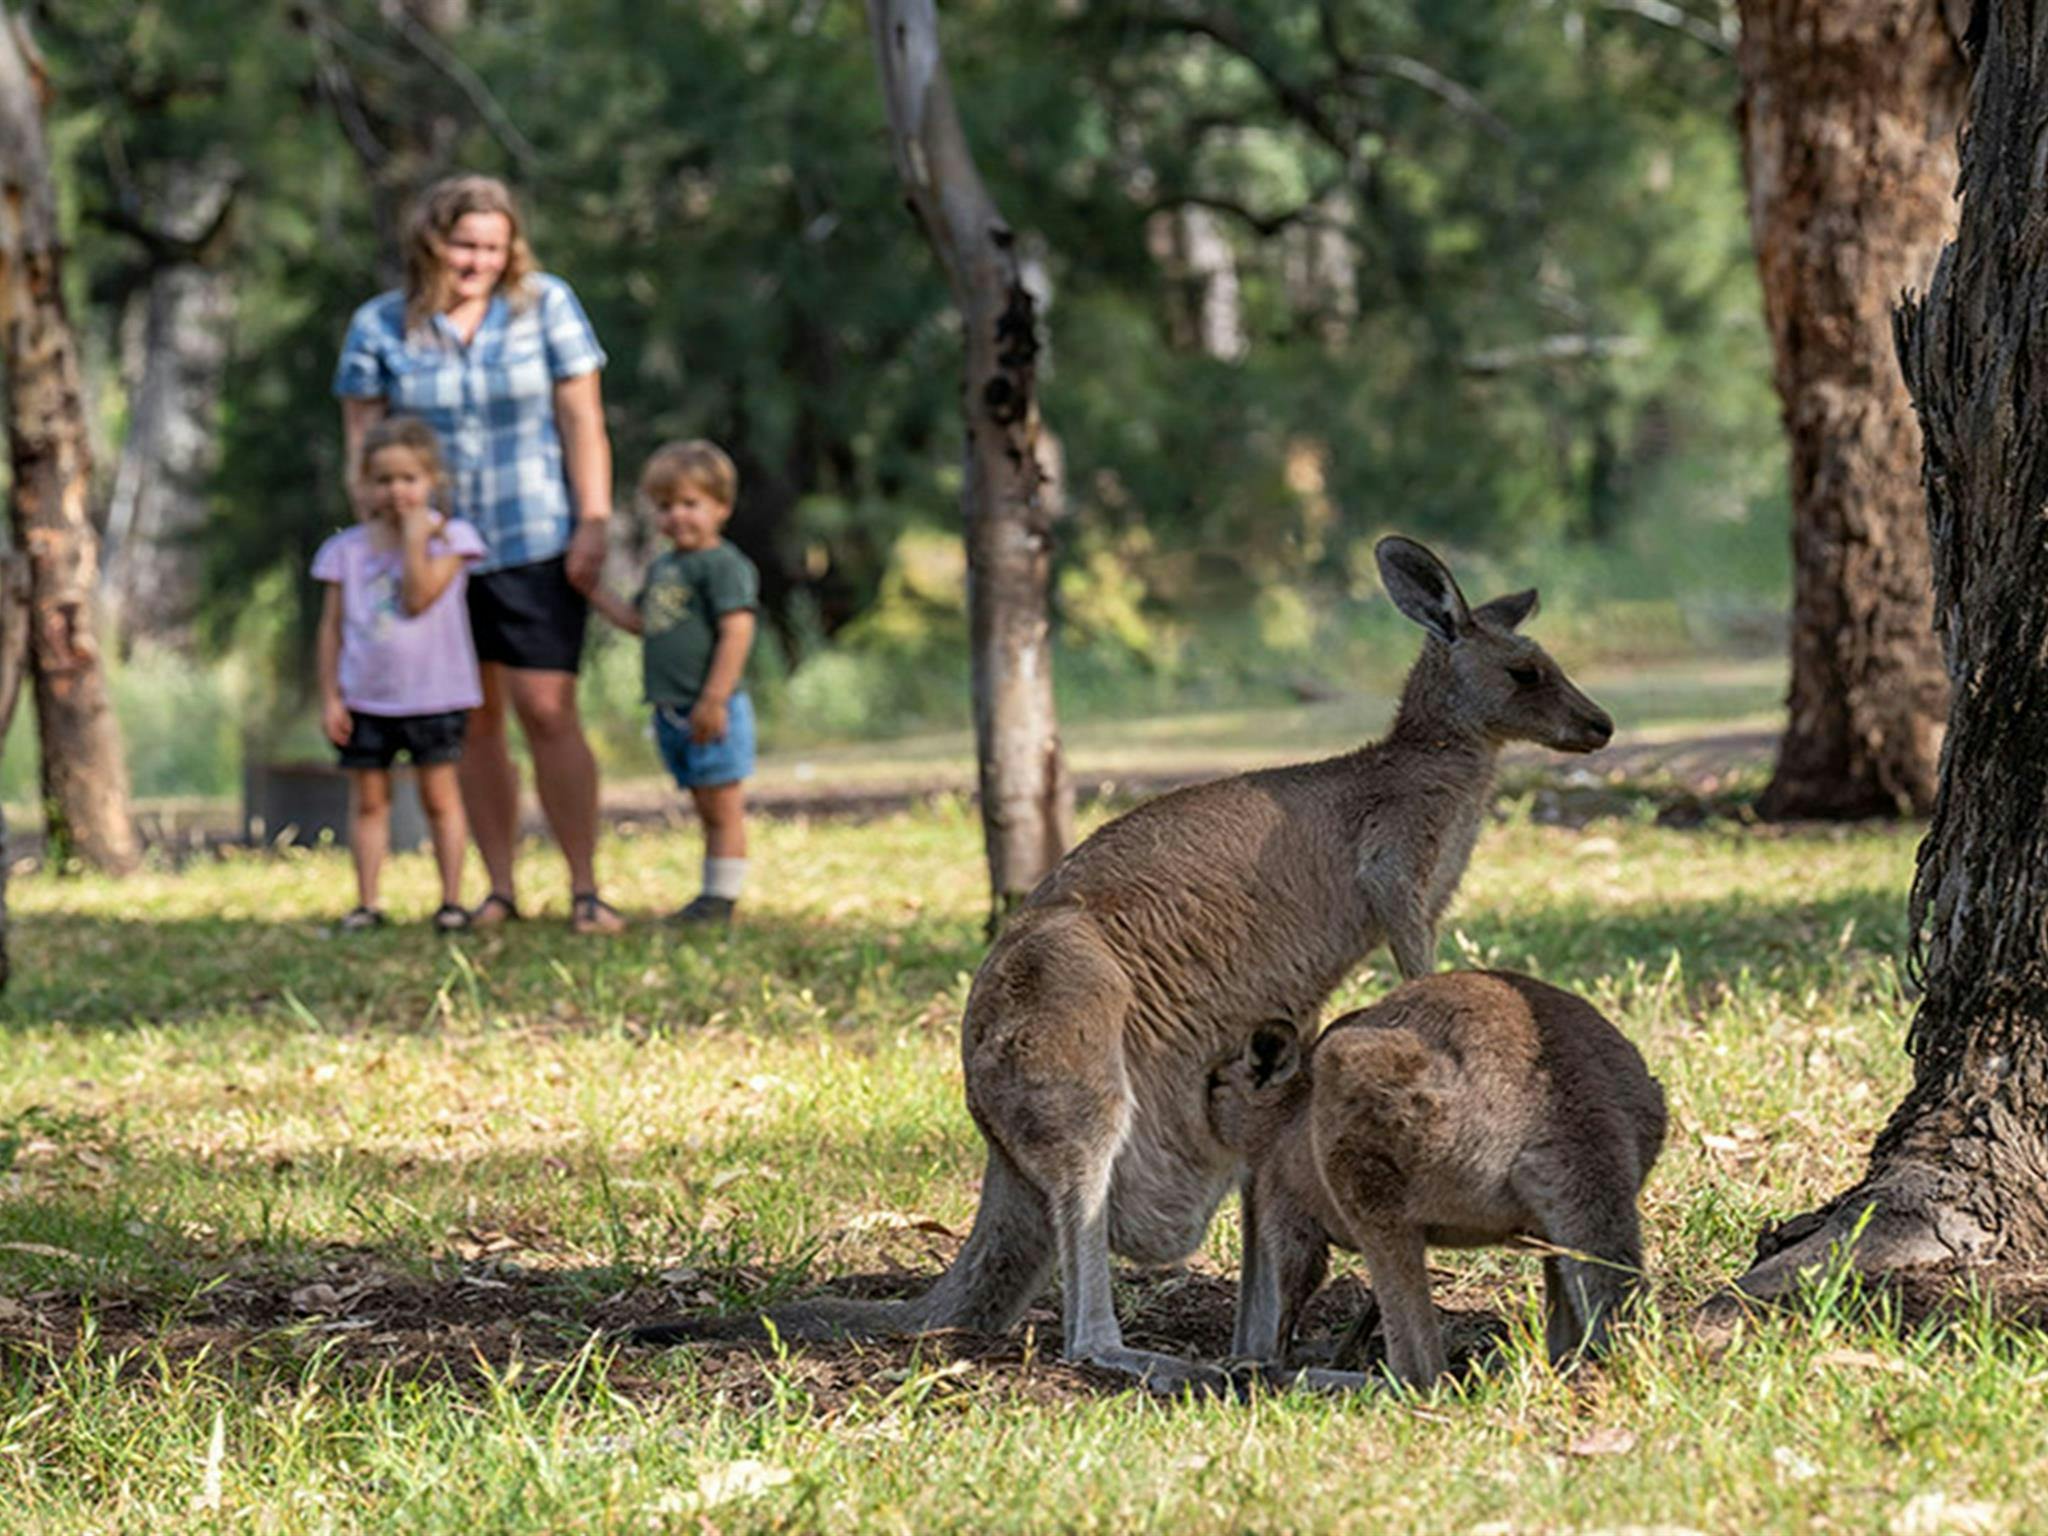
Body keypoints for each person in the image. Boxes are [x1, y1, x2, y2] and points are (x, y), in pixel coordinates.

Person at [332, 173, 625, 935]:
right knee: (476, 722)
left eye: (494, 246)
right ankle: (497, 888)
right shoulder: (380, 326)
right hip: (434, 558)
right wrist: (384, 541)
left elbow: (583, 421)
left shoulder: (547, 305)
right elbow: (362, 447)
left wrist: (593, 520)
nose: (479, 261)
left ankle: (585, 886)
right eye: (466, 244)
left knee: (549, 710)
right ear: (433, 241)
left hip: (535, 535)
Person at [314, 416, 485, 931]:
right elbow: (331, 629)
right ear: (365, 484)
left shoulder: (453, 539)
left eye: (409, 479)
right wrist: (331, 696)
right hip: (367, 697)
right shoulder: (345, 551)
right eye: (384, 480)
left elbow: (416, 597)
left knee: (440, 798)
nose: (396, 491)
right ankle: (368, 902)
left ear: (432, 479)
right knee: (369, 802)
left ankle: (451, 902)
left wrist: (415, 539)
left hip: (435, 696)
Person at [589, 441, 759, 927]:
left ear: (720, 507)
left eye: (691, 504)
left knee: (723, 806)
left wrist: (714, 698)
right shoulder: (665, 566)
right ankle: (711, 892)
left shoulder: (722, 565)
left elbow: (736, 631)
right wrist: (594, 592)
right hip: (672, 709)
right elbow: (642, 621)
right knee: (704, 804)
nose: (677, 517)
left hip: (712, 708)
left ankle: (720, 900)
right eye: (665, 507)